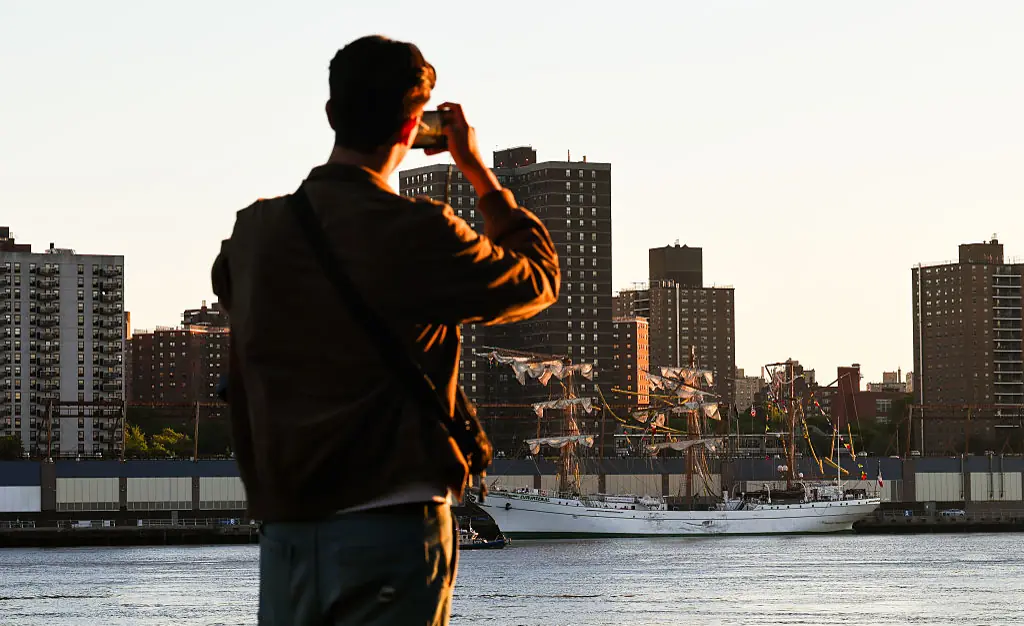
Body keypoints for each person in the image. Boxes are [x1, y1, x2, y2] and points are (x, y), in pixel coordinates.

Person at [211, 35, 560, 625]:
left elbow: (229, 286)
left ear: (330, 115)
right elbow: (537, 280)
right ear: (410, 128)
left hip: (289, 528)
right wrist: (476, 172)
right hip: (393, 526)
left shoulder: (254, 234)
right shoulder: (418, 232)